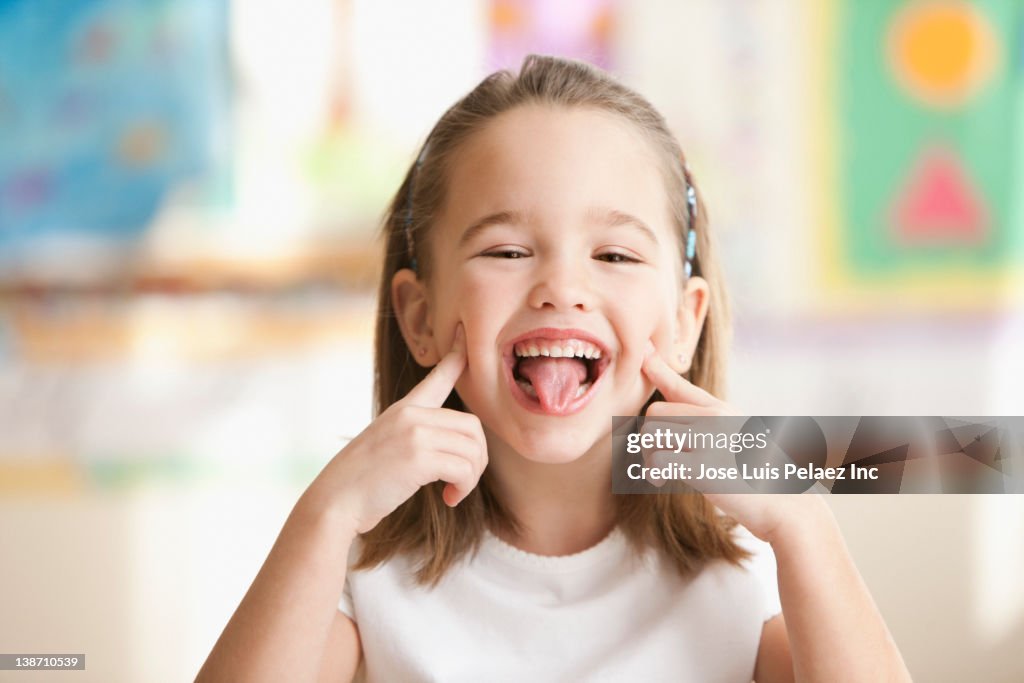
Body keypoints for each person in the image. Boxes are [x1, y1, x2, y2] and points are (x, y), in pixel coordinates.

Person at [197, 55, 911, 682]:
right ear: (419, 318)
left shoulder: (742, 583)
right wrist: (324, 517)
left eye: (615, 255)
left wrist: (803, 523)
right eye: (507, 251)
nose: (561, 287)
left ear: (686, 321)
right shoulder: (368, 587)